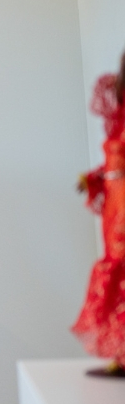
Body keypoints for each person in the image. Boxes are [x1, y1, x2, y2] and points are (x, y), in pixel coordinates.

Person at [74, 49, 125, 374]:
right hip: (116, 209)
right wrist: (92, 178)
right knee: (116, 269)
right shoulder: (118, 126)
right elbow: (111, 164)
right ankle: (120, 352)